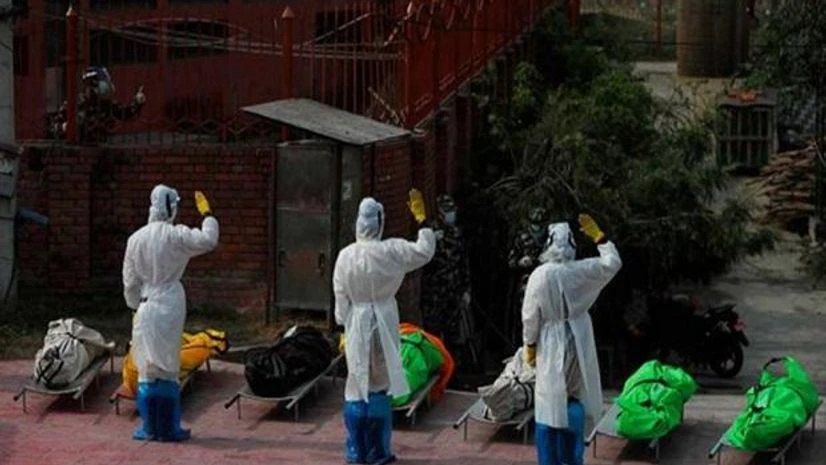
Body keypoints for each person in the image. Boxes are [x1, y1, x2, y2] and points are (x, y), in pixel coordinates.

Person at [334, 189, 436, 465]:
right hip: (384, 321)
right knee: (379, 386)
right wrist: (422, 221)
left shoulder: (345, 256)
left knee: (357, 386)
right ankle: (378, 451)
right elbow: (425, 251)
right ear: (379, 222)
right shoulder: (392, 250)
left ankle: (356, 450)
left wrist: (344, 326)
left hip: (357, 321)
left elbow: (340, 298)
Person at [522, 215, 622, 465]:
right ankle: (572, 458)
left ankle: (549, 460)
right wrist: (600, 238)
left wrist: (530, 345)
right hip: (579, 337)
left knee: (548, 401)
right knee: (573, 396)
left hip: (549, 339)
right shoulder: (581, 271)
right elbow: (612, 263)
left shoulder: (539, 276)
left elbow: (530, 316)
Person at [122, 185, 219, 441]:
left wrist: (134, 305)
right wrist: (207, 214)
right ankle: (169, 428)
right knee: (168, 368)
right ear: (172, 207)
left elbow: (129, 282)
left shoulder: (135, 239)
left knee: (146, 368)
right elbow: (209, 240)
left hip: (144, 304)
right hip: (169, 304)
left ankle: (149, 427)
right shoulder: (177, 236)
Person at [420, 194, 472, 356]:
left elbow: (463, 262)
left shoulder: (456, 233)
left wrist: (466, 289)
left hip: (453, 293)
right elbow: (421, 255)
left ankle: (452, 374)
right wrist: (430, 239)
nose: (451, 215)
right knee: (433, 336)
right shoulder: (430, 232)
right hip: (434, 293)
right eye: (448, 211)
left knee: (453, 337)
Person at [48, 66, 145, 143]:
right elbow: (53, 128)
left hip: (99, 150)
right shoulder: (75, 103)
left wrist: (137, 102)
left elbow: (126, 114)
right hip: (76, 151)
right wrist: (65, 127)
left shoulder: (106, 105)